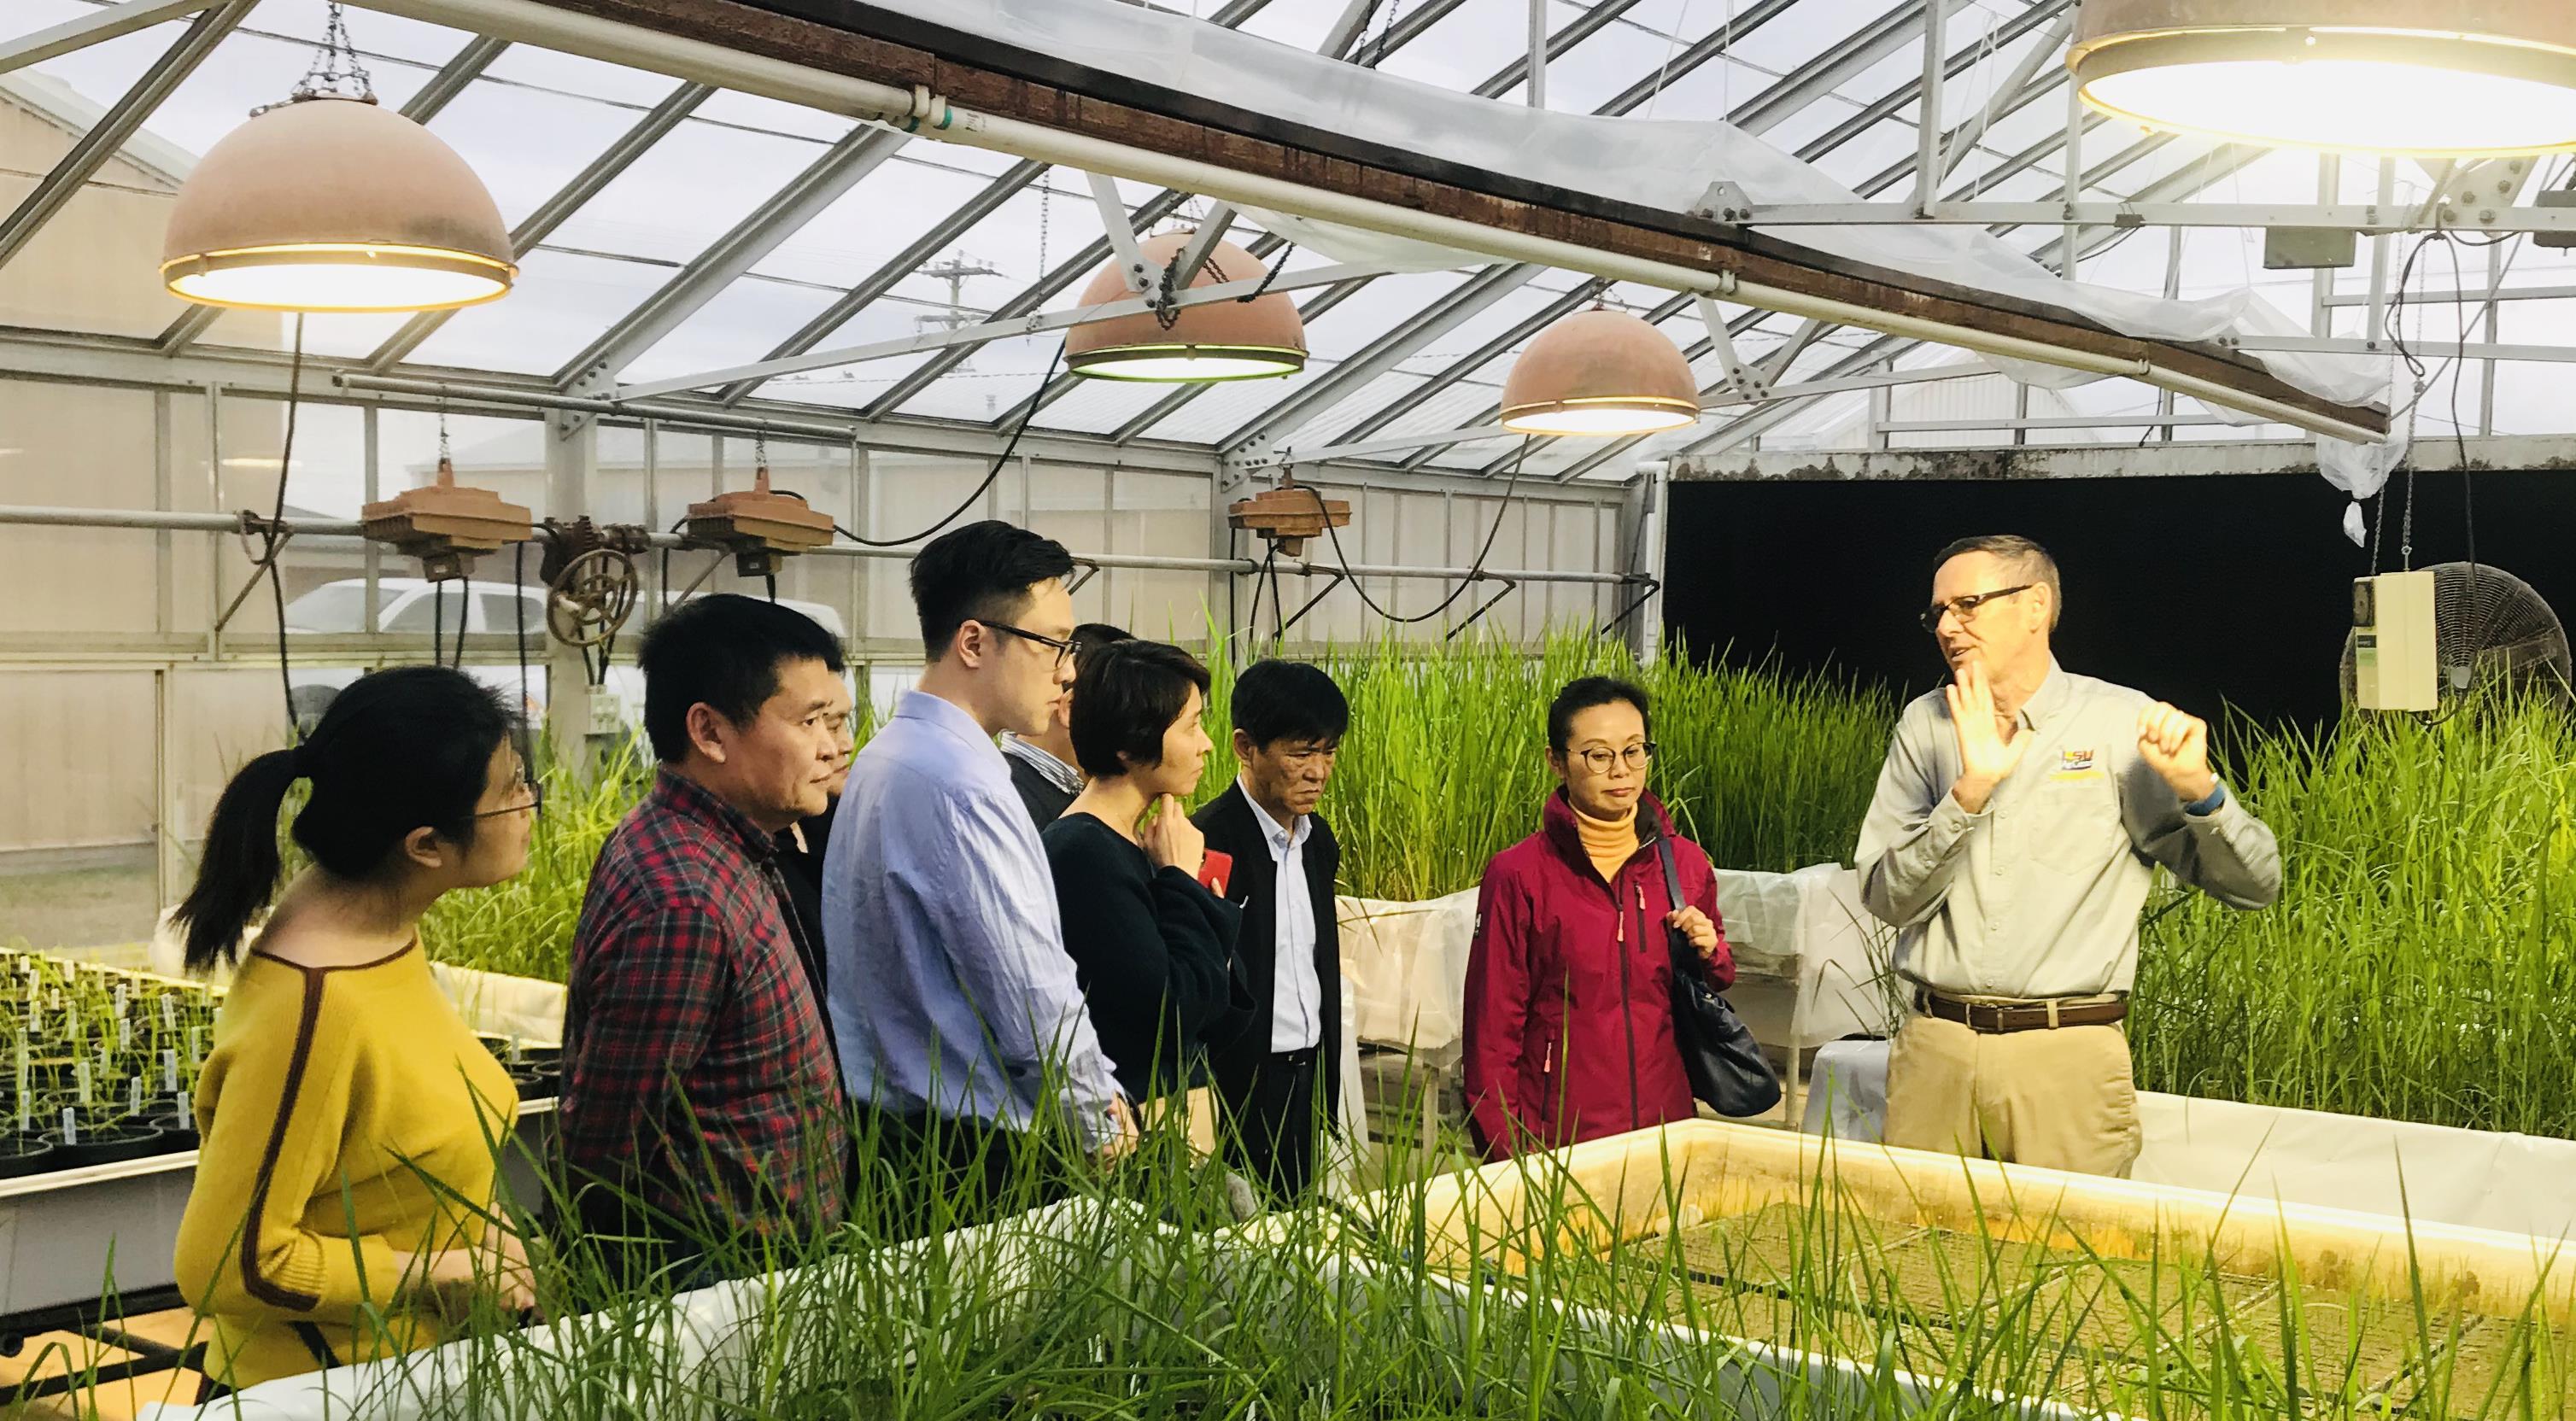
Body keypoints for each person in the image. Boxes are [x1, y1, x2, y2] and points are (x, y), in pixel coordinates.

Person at [1857, 535, 2280, 1178]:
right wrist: (1971, 792)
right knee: (1914, 1257)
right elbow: (1888, 898)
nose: (1946, 626)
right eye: (1937, 612)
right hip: (1935, 1050)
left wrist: (2201, 791)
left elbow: (2256, 886)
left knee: (2069, 1266)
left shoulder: (2118, 724)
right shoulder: (1925, 725)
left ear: (2035, 606)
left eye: (1966, 604)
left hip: (2066, 1055)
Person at [170, 666, 537, 1396]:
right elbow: (228, 1264)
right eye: (509, 792)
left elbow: (387, 1152)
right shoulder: (313, 1009)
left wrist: (478, 1226)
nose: (528, 804)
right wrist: (435, 1273)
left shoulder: (375, 923)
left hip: (413, 1372)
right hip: (324, 1392)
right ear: (426, 844)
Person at [827, 521, 1138, 1226]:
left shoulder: (888, 757)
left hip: (894, 1137)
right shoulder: (959, 782)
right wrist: (1100, 1121)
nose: (1067, 670)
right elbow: (1029, 990)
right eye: (1055, 644)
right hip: (972, 1161)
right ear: (974, 642)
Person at [559, 594, 850, 1284]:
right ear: (710, 732)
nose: (834, 747)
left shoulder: (728, 847)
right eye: (811, 721)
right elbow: (604, 1142)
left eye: (837, 722)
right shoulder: (684, 898)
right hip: (706, 1284)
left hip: (758, 1275)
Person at [1461, 675, 1734, 1160]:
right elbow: (1492, 1032)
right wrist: (1509, 1156)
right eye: (1598, 755)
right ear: (1557, 762)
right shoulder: (1519, 875)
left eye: (1634, 751)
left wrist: (1711, 949)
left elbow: (1717, 978)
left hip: (1664, 1130)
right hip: (1558, 1139)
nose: (1621, 771)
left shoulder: (1685, 864)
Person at [1042, 640, 1245, 1108]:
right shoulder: (1083, 853)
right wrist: (1182, 884)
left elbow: (1217, 1007)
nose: (1207, 745)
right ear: (1131, 744)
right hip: (1137, 1130)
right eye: (1192, 726)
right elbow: (1171, 1014)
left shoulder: (1133, 842)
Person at [1195, 659, 1348, 1201]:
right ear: (1245, 746)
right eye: (1301, 752)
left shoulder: (1317, 842)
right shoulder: (1206, 842)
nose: (1318, 770)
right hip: (1236, 1089)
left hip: (1306, 1080)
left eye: (1328, 751)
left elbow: (1315, 963)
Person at [1002, 622, 1130, 827]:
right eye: (1130, 715)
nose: (1140, 736)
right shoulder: (1011, 801)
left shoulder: (1021, 786)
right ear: (1070, 708)